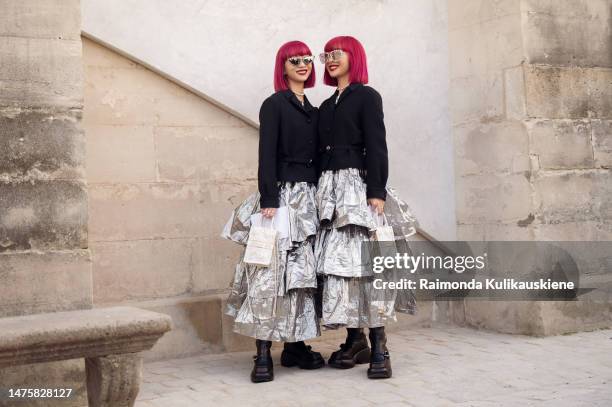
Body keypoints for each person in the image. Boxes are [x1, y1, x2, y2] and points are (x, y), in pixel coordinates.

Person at [314, 35, 419, 379]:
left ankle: (380, 347)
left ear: (353, 57)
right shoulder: (327, 105)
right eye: (326, 54)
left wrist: (376, 190)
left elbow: (377, 144)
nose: (330, 59)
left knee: (368, 264)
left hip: (359, 188)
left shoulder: (367, 96)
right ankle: (354, 339)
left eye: (337, 53)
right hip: (330, 191)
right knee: (340, 268)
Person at [221, 41, 324, 383]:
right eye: (295, 60)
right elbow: (266, 154)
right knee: (268, 273)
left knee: (301, 277)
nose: (303, 65)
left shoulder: (314, 108)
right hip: (279, 198)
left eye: (308, 60)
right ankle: (262, 352)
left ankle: (296, 346)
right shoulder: (274, 105)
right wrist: (269, 198)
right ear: (283, 66)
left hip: (309, 200)